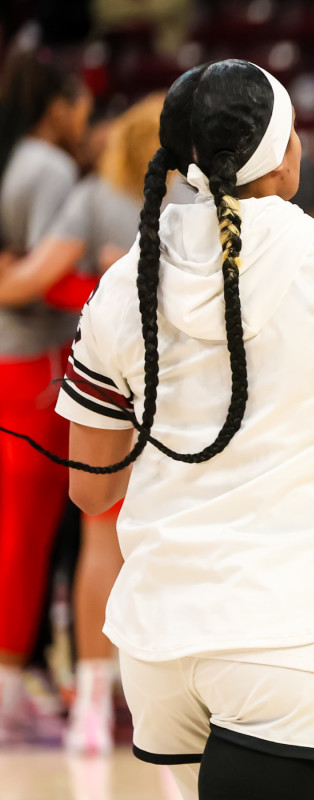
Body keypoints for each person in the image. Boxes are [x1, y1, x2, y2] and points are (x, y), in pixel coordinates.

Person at [15, 59, 314, 800]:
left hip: (158, 643)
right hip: (291, 637)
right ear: (279, 148)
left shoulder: (124, 284)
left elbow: (91, 490)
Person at [3, 91, 193, 756]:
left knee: (97, 540)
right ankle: (167, 705)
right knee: (178, 543)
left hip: (107, 375)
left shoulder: (90, 195)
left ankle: (87, 704)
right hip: (186, 388)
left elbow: (30, 280)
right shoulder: (204, 201)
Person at [0, 47, 91, 744]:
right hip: (29, 363)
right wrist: (127, 290)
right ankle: (10, 687)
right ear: (57, 106)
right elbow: (42, 275)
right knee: (27, 537)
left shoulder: (18, 159)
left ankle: (23, 673)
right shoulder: (50, 167)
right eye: (80, 101)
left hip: (19, 360)